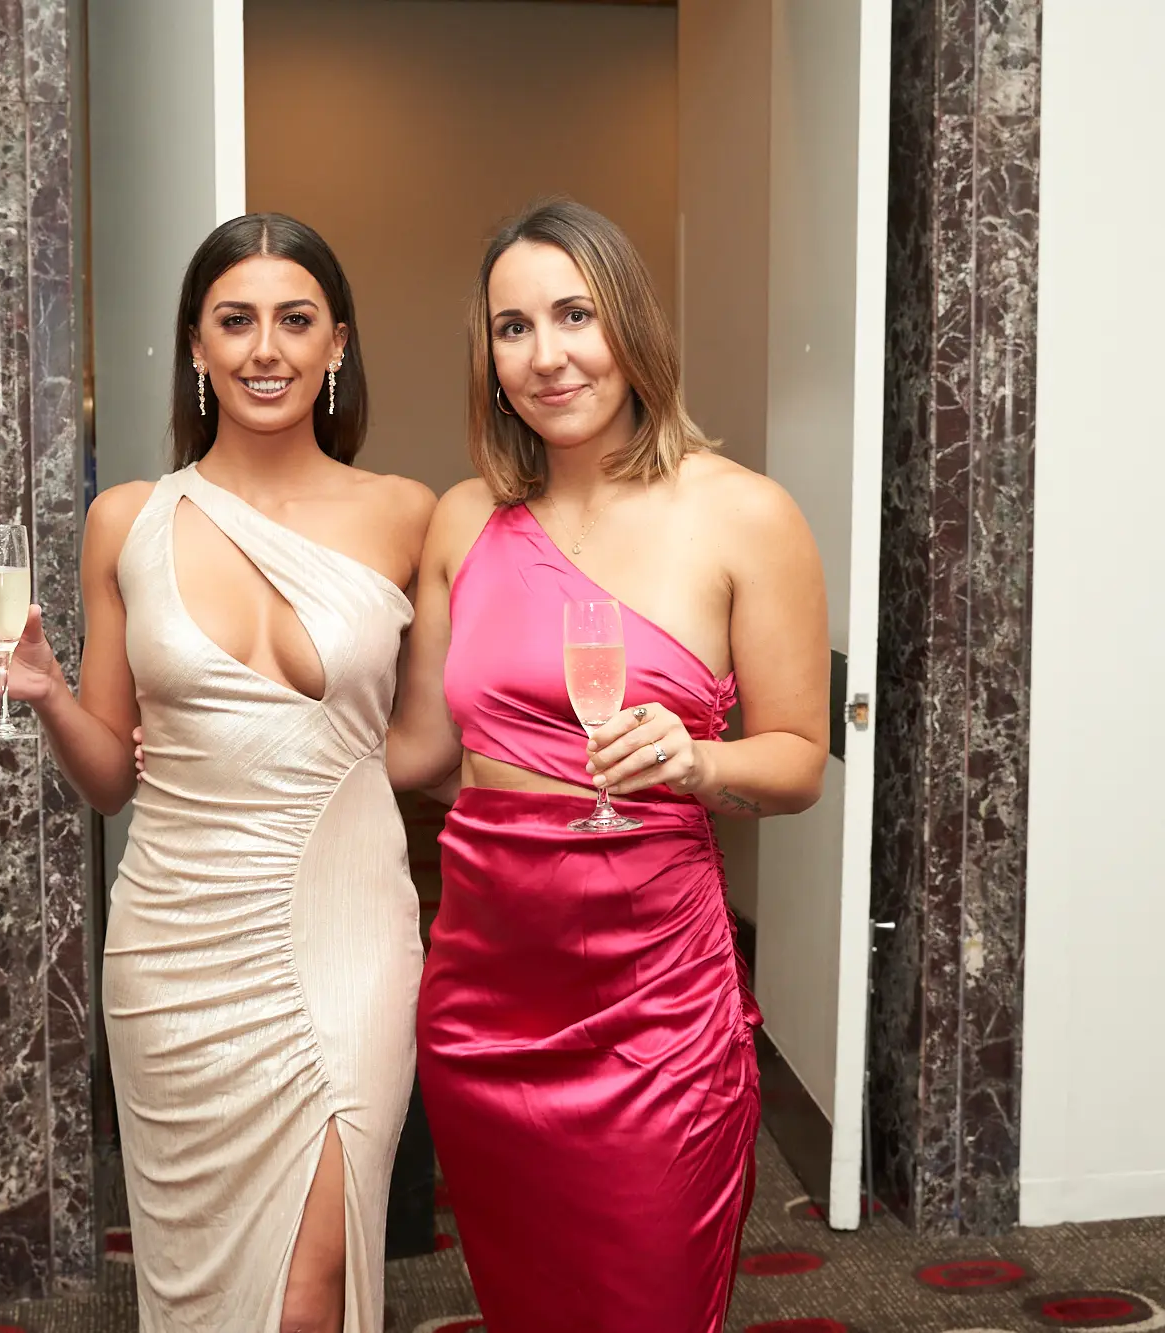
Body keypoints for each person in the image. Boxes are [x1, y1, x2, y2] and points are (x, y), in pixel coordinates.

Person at [0, 214, 432, 1333]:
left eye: (293, 319)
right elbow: (111, 776)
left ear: (336, 344)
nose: (265, 347)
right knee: (207, 1290)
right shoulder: (128, 518)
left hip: (346, 929)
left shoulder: (412, 513)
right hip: (175, 947)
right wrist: (48, 694)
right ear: (198, 348)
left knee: (313, 1284)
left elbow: (427, 743)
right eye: (235, 321)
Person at [386, 200, 830, 1332]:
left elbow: (794, 761)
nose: (547, 354)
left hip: (651, 995)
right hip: (483, 989)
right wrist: (228, 743)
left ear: (629, 326)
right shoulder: (462, 519)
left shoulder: (742, 513)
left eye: (574, 314)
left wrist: (695, 758)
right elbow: (422, 752)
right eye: (512, 327)